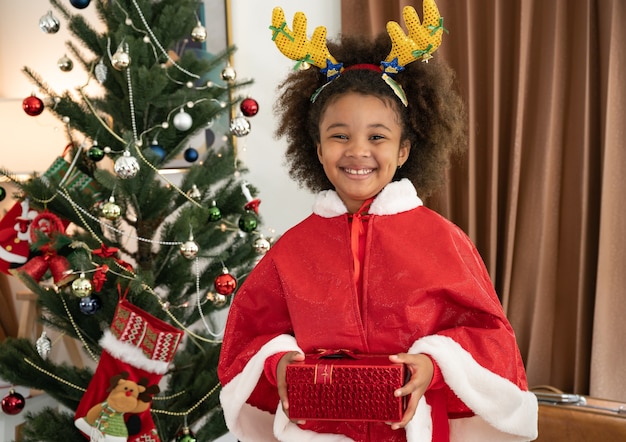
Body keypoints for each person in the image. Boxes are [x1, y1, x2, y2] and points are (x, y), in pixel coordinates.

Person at [218, 1, 538, 441]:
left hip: (415, 430)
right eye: (340, 135)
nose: (357, 151)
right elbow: (248, 337)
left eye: (377, 137)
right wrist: (280, 364)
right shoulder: (291, 250)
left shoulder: (444, 241)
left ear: (404, 150)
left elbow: (491, 337)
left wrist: (434, 364)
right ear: (317, 148)